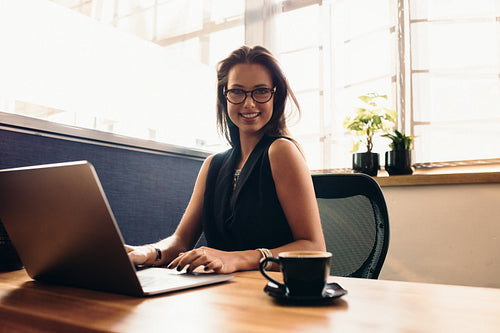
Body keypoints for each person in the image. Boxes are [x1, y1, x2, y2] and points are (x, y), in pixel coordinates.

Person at [126, 45, 325, 274]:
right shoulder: (213, 165)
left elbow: (314, 248)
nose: (249, 103)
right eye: (237, 91)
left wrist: (236, 259)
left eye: (260, 91)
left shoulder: (281, 151)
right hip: (222, 295)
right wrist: (149, 252)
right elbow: (181, 241)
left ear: (274, 96)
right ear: (225, 96)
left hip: (272, 292)